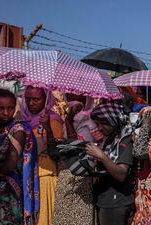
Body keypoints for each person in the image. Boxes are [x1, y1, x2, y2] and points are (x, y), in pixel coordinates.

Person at [53, 93, 98, 225]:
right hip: (65, 172)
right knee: (63, 214)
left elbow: (78, 147)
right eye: (71, 97)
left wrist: (69, 122)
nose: (76, 102)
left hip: (82, 173)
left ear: (88, 99)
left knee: (81, 214)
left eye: (81, 98)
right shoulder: (60, 117)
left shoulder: (91, 120)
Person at [86, 102, 134, 225]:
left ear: (113, 121)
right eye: (97, 124)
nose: (100, 128)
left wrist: (101, 156)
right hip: (107, 199)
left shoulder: (125, 139)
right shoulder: (110, 139)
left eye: (103, 123)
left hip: (116, 202)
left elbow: (121, 173)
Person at [21, 86, 64, 225]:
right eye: (27, 99)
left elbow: (57, 152)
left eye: (36, 99)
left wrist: (47, 128)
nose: (31, 103)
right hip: (26, 178)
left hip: (45, 176)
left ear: (46, 100)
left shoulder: (53, 120)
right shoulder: (22, 120)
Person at [0, 89, 39, 225]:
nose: (6, 112)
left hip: (7, 190)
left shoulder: (18, 129)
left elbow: (10, 163)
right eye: (1, 108)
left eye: (10, 108)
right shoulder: (1, 128)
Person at [129, 106, 151, 225]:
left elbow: (139, 153)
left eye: (147, 119)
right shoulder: (139, 137)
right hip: (141, 188)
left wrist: (145, 126)